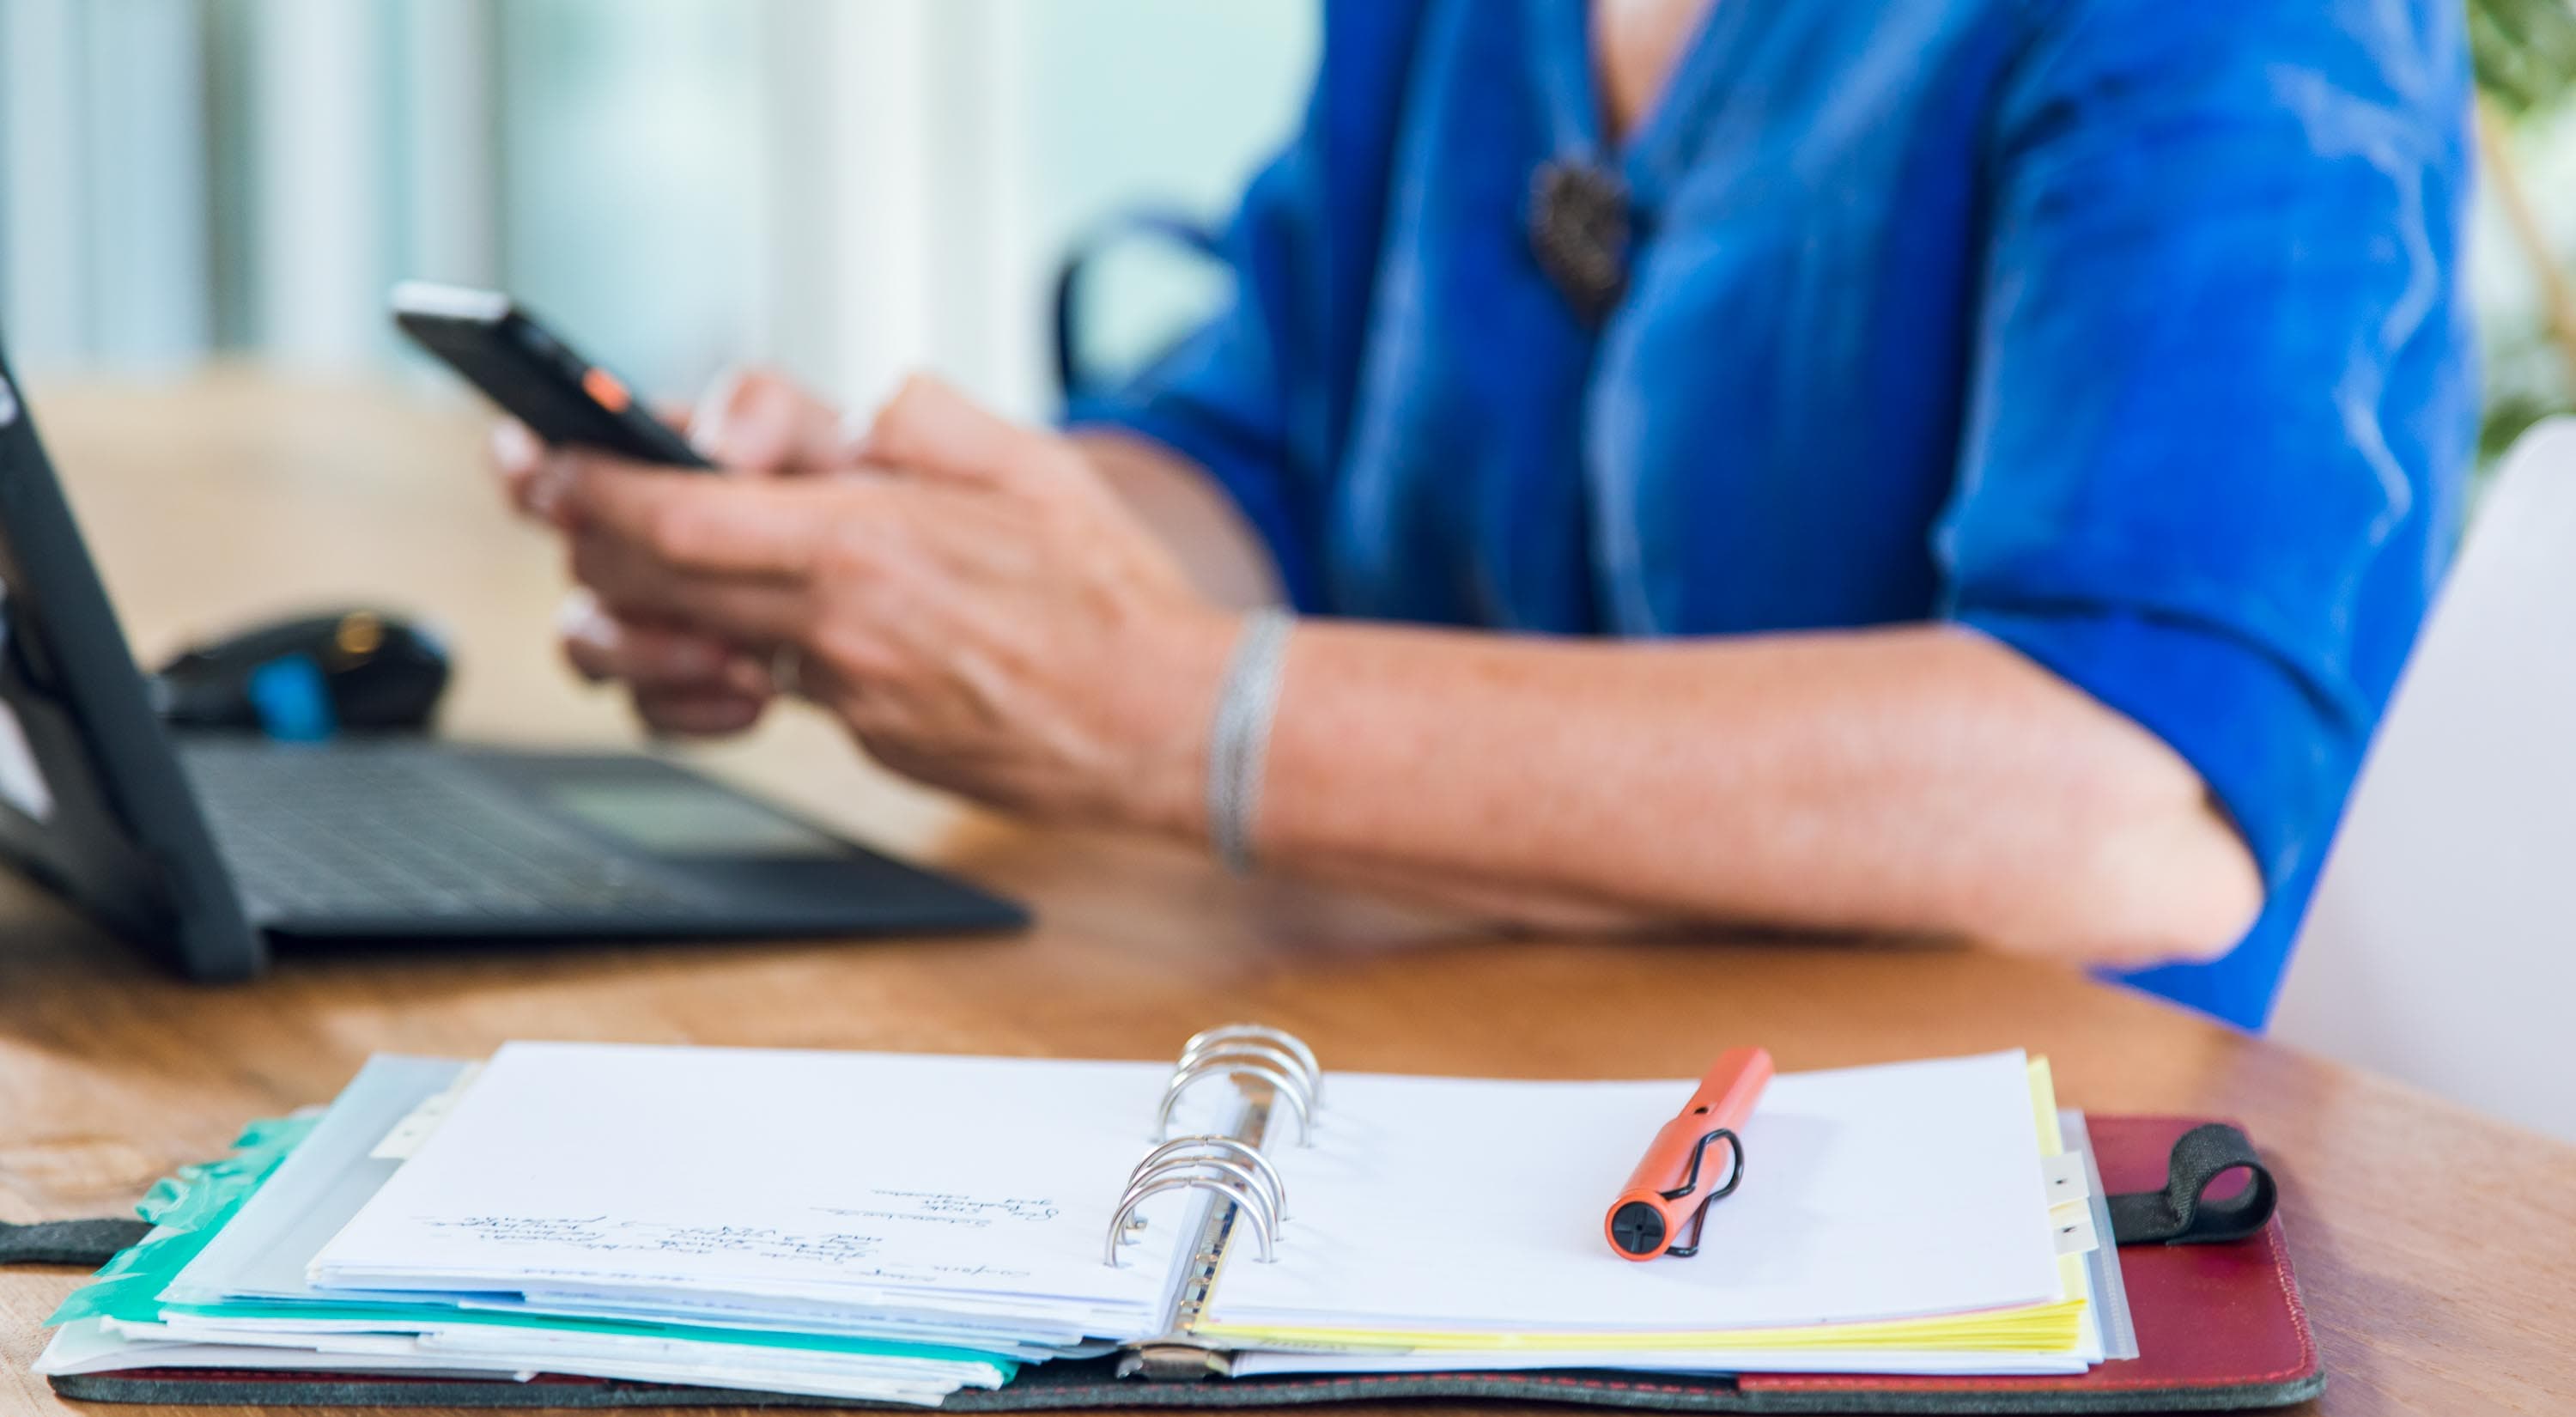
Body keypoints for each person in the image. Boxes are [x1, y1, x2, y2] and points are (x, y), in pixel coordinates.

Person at [494, 0, 2476, 1030]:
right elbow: (1259, 468)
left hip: (2015, 1256)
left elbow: (2130, 807)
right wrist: (910, 563)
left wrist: (1181, 716)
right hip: (1473, 1114)